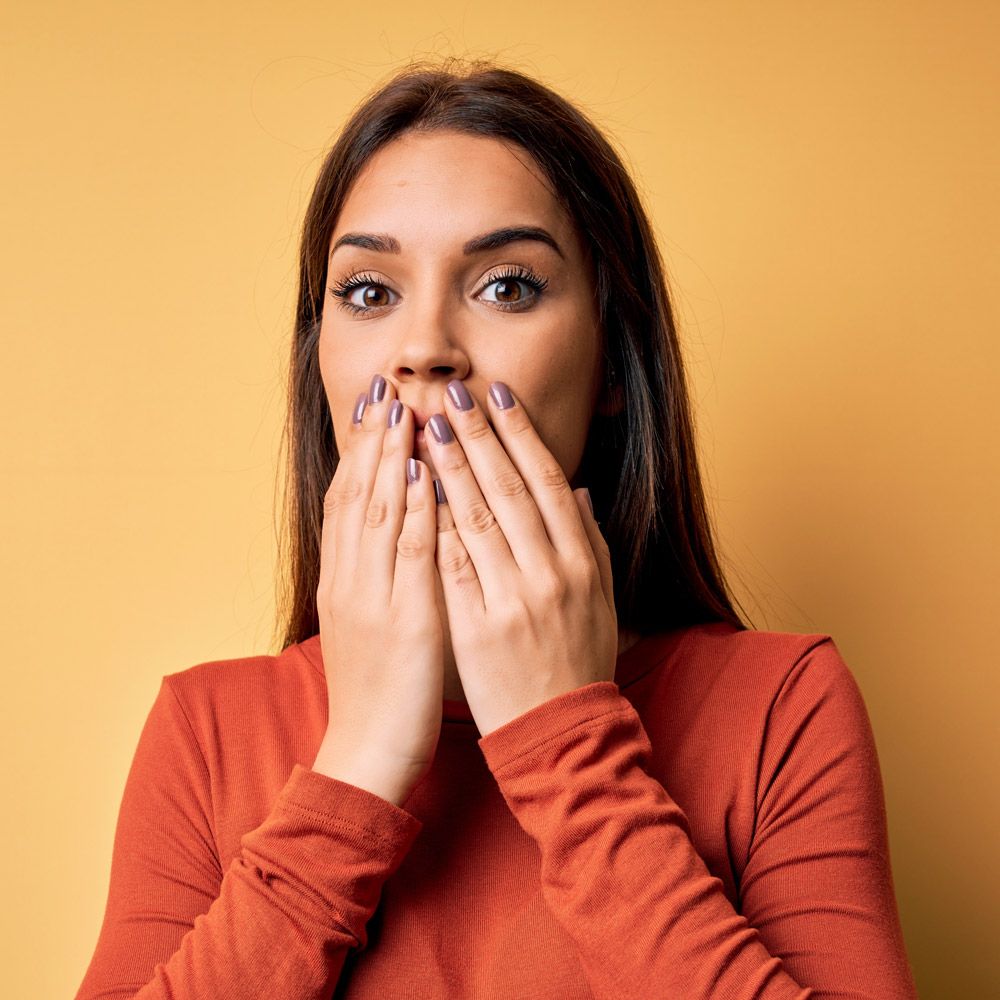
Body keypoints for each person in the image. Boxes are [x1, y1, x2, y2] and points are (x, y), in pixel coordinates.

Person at [76, 60, 918, 999]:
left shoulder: (780, 710)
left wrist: (563, 745)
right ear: (320, 364)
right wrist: (356, 766)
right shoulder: (208, 732)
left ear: (611, 365)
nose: (424, 346)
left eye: (508, 286)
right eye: (367, 292)